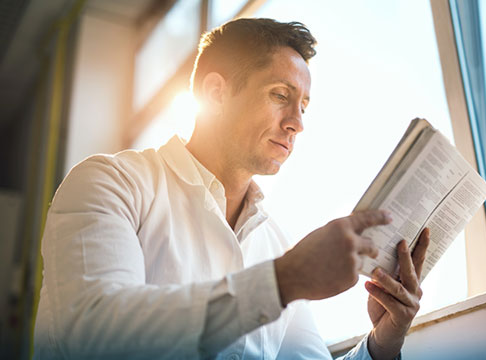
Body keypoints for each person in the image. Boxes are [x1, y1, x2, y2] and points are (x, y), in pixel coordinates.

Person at [33, 18, 430, 359]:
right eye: (280, 96)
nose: (297, 123)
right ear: (215, 92)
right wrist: (282, 282)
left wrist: (382, 342)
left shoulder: (276, 244)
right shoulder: (109, 184)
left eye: (304, 107)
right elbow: (94, 335)